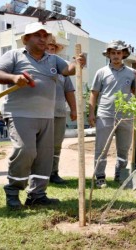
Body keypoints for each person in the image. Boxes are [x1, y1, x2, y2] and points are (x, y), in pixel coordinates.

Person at [0, 22, 85, 209]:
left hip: (47, 116)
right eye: (37, 35)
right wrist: (13, 78)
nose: (43, 39)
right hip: (20, 114)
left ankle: (37, 195)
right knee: (25, 151)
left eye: (45, 35)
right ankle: (13, 192)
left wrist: (78, 63)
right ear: (26, 39)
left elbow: (69, 70)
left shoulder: (53, 60)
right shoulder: (14, 55)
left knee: (44, 156)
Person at [89, 40, 135, 188]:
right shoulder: (101, 72)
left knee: (124, 148)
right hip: (105, 114)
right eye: (113, 53)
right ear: (108, 54)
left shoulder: (132, 73)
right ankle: (100, 177)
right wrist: (91, 113)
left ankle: (120, 175)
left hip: (126, 115)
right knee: (102, 147)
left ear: (123, 54)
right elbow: (94, 93)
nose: (116, 56)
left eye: (119, 53)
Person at [46, 35, 77, 184]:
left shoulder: (64, 71)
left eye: (53, 49)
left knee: (57, 144)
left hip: (59, 112)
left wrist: (73, 110)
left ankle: (53, 173)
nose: (50, 51)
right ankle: (38, 174)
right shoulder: (38, 66)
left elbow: (69, 91)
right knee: (40, 144)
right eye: (47, 48)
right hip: (41, 112)